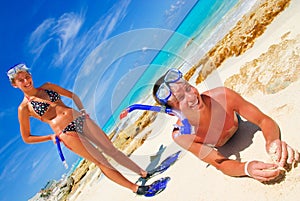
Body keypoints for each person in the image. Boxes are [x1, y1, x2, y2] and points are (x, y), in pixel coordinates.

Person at [7, 63, 168, 196]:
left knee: (111, 149)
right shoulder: (24, 108)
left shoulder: (48, 86)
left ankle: (144, 173)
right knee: (101, 161)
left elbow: (72, 96)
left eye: (27, 76)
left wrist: (82, 110)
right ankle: (136, 188)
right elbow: (26, 137)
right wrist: (50, 137)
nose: (26, 80)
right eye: (21, 80)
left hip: (80, 119)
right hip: (66, 133)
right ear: (15, 85)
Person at [152, 68, 299, 183]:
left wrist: (272, 141)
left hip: (238, 123)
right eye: (181, 98)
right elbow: (221, 164)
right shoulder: (182, 135)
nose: (192, 97)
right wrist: (247, 168)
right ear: (173, 113)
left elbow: (263, 121)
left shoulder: (223, 97)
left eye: (188, 88)